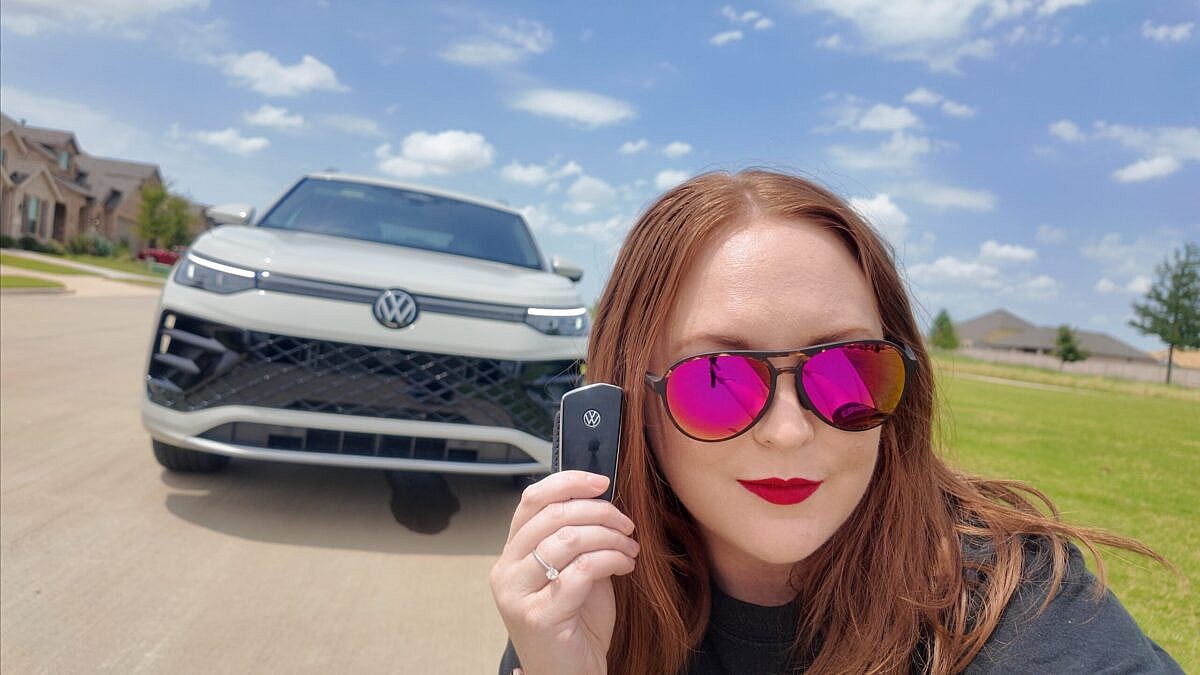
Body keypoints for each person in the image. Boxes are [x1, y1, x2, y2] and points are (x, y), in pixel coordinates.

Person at [489, 170, 1182, 674]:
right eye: (716, 381)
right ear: (628, 407)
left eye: (849, 370)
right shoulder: (581, 599)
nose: (789, 432)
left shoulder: (1017, 610)